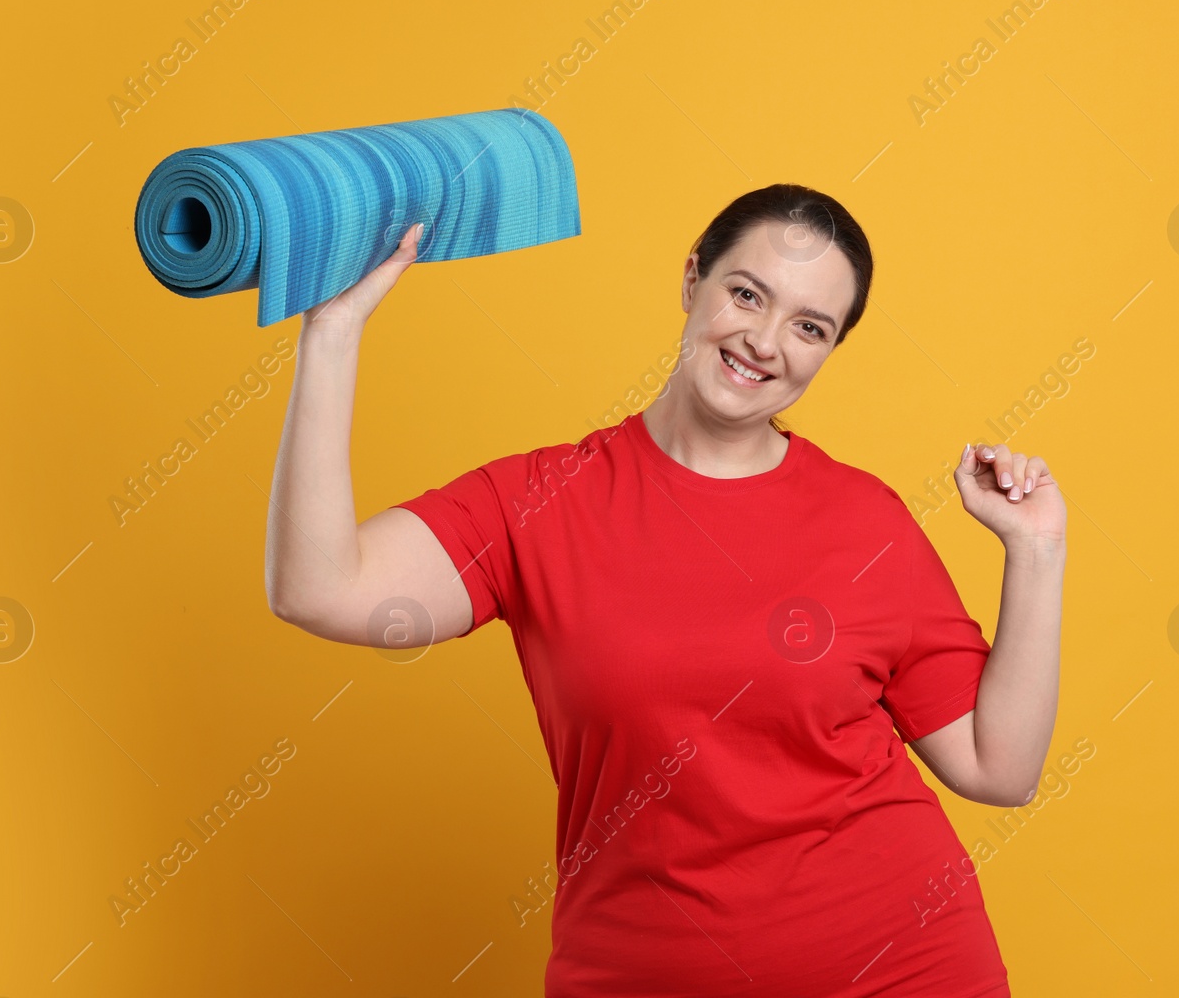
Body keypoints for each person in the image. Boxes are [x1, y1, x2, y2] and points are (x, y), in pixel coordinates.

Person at [265, 184, 1067, 997]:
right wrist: (332, 336)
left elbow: (999, 770)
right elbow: (319, 588)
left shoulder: (868, 522)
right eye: (746, 294)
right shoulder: (540, 504)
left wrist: (1036, 550)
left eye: (809, 327)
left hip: (904, 969)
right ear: (693, 281)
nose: (764, 341)